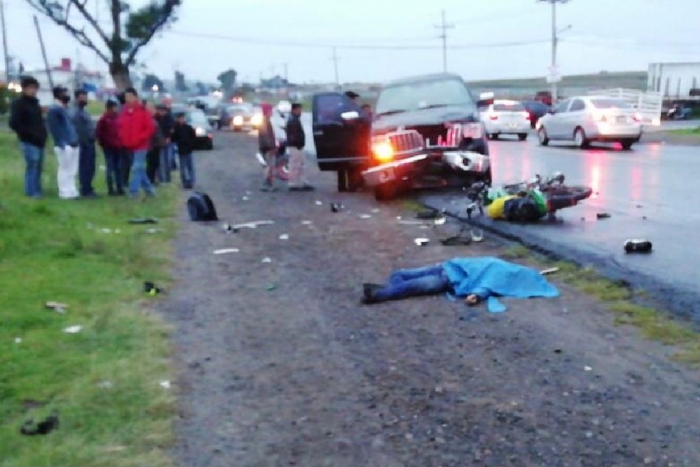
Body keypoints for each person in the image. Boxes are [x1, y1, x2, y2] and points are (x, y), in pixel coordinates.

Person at [361, 256, 559, 312]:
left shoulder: (498, 266)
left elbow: (484, 283)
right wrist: (476, 295)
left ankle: (381, 293)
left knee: (405, 280)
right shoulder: (501, 270)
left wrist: (476, 295)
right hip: (446, 274)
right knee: (405, 282)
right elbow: (486, 282)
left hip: (445, 272)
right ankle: (383, 292)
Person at [9, 76, 48, 198]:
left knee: (39, 167)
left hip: (39, 140)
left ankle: (37, 189)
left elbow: (39, 121)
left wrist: (42, 134)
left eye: (34, 88)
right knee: (32, 165)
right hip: (28, 141)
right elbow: (14, 123)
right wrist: (25, 133)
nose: (33, 90)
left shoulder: (35, 103)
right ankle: (31, 191)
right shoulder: (19, 104)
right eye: (30, 88)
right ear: (24, 89)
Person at [118, 88, 156, 198]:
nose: (128, 99)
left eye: (130, 96)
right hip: (128, 145)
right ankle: (149, 190)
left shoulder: (142, 111)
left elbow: (150, 128)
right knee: (139, 169)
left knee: (136, 167)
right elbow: (120, 127)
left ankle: (133, 191)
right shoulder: (124, 112)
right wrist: (123, 138)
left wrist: (140, 138)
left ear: (135, 97)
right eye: (126, 97)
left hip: (141, 145)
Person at [46, 86, 80, 200]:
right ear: (58, 95)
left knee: (72, 169)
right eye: (64, 93)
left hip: (73, 142)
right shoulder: (54, 109)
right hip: (64, 144)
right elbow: (54, 128)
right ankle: (64, 191)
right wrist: (62, 143)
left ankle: (72, 190)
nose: (66, 95)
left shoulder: (65, 108)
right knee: (64, 168)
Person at [72, 89, 98, 197]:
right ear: (77, 98)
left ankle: (89, 187)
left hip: (90, 143)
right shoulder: (75, 112)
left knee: (91, 167)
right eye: (82, 97)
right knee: (85, 167)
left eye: (85, 97)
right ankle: (85, 189)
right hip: (83, 144)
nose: (85, 99)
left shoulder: (85, 111)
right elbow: (79, 130)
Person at [96, 100, 124, 195]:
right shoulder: (104, 119)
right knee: (110, 167)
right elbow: (99, 133)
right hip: (108, 147)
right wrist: (102, 143)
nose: (116, 109)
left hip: (118, 146)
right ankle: (111, 188)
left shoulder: (118, 118)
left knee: (118, 168)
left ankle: (120, 187)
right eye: (114, 107)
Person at [286, 102, 313, 191]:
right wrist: (298, 144)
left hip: (297, 146)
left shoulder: (294, 119)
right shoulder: (293, 120)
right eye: (299, 110)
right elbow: (294, 135)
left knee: (300, 165)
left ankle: (300, 182)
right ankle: (294, 183)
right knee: (295, 165)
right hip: (295, 146)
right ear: (294, 110)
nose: (300, 111)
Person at [171, 111, 197, 189]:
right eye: (180, 119)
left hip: (188, 149)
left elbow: (193, 137)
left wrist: (191, 145)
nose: (182, 120)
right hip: (181, 150)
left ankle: (191, 181)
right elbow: (173, 139)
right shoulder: (176, 129)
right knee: (183, 167)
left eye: (183, 118)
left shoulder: (188, 128)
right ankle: (185, 182)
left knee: (190, 166)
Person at [144, 101, 165, 184]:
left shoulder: (154, 119)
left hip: (156, 145)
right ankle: (149, 181)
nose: (154, 110)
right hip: (151, 146)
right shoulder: (147, 119)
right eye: (152, 108)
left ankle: (152, 180)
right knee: (151, 165)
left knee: (155, 164)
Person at [258, 102, 278, 192]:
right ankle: (266, 184)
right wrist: (271, 148)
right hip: (267, 149)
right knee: (268, 167)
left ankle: (269, 184)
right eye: (271, 110)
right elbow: (266, 137)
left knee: (269, 167)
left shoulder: (265, 121)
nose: (272, 112)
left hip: (266, 148)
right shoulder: (265, 122)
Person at [155, 104, 174, 182]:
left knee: (167, 161)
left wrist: (169, 137)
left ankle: (167, 178)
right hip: (158, 141)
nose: (161, 112)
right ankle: (161, 178)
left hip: (167, 141)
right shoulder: (157, 118)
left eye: (162, 111)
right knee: (159, 161)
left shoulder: (169, 118)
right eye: (159, 111)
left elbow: (172, 129)